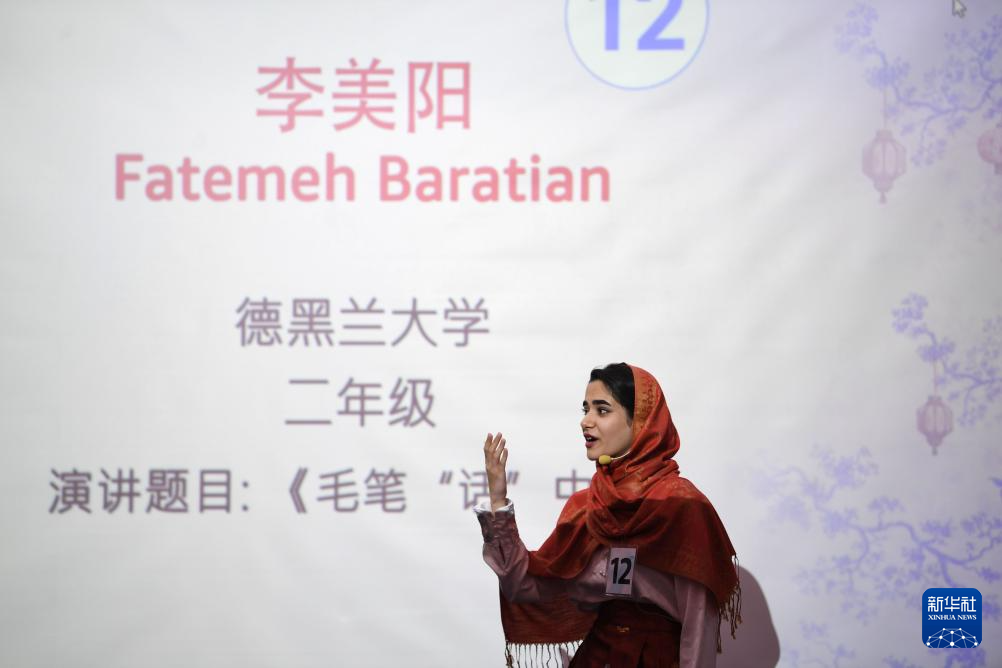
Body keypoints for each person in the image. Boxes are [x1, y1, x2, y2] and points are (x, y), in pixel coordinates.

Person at [475, 363, 741, 667]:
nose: (585, 421)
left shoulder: (680, 504)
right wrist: (498, 501)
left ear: (640, 421)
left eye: (602, 410)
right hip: (597, 655)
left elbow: (699, 619)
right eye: (586, 409)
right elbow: (523, 586)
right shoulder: (586, 506)